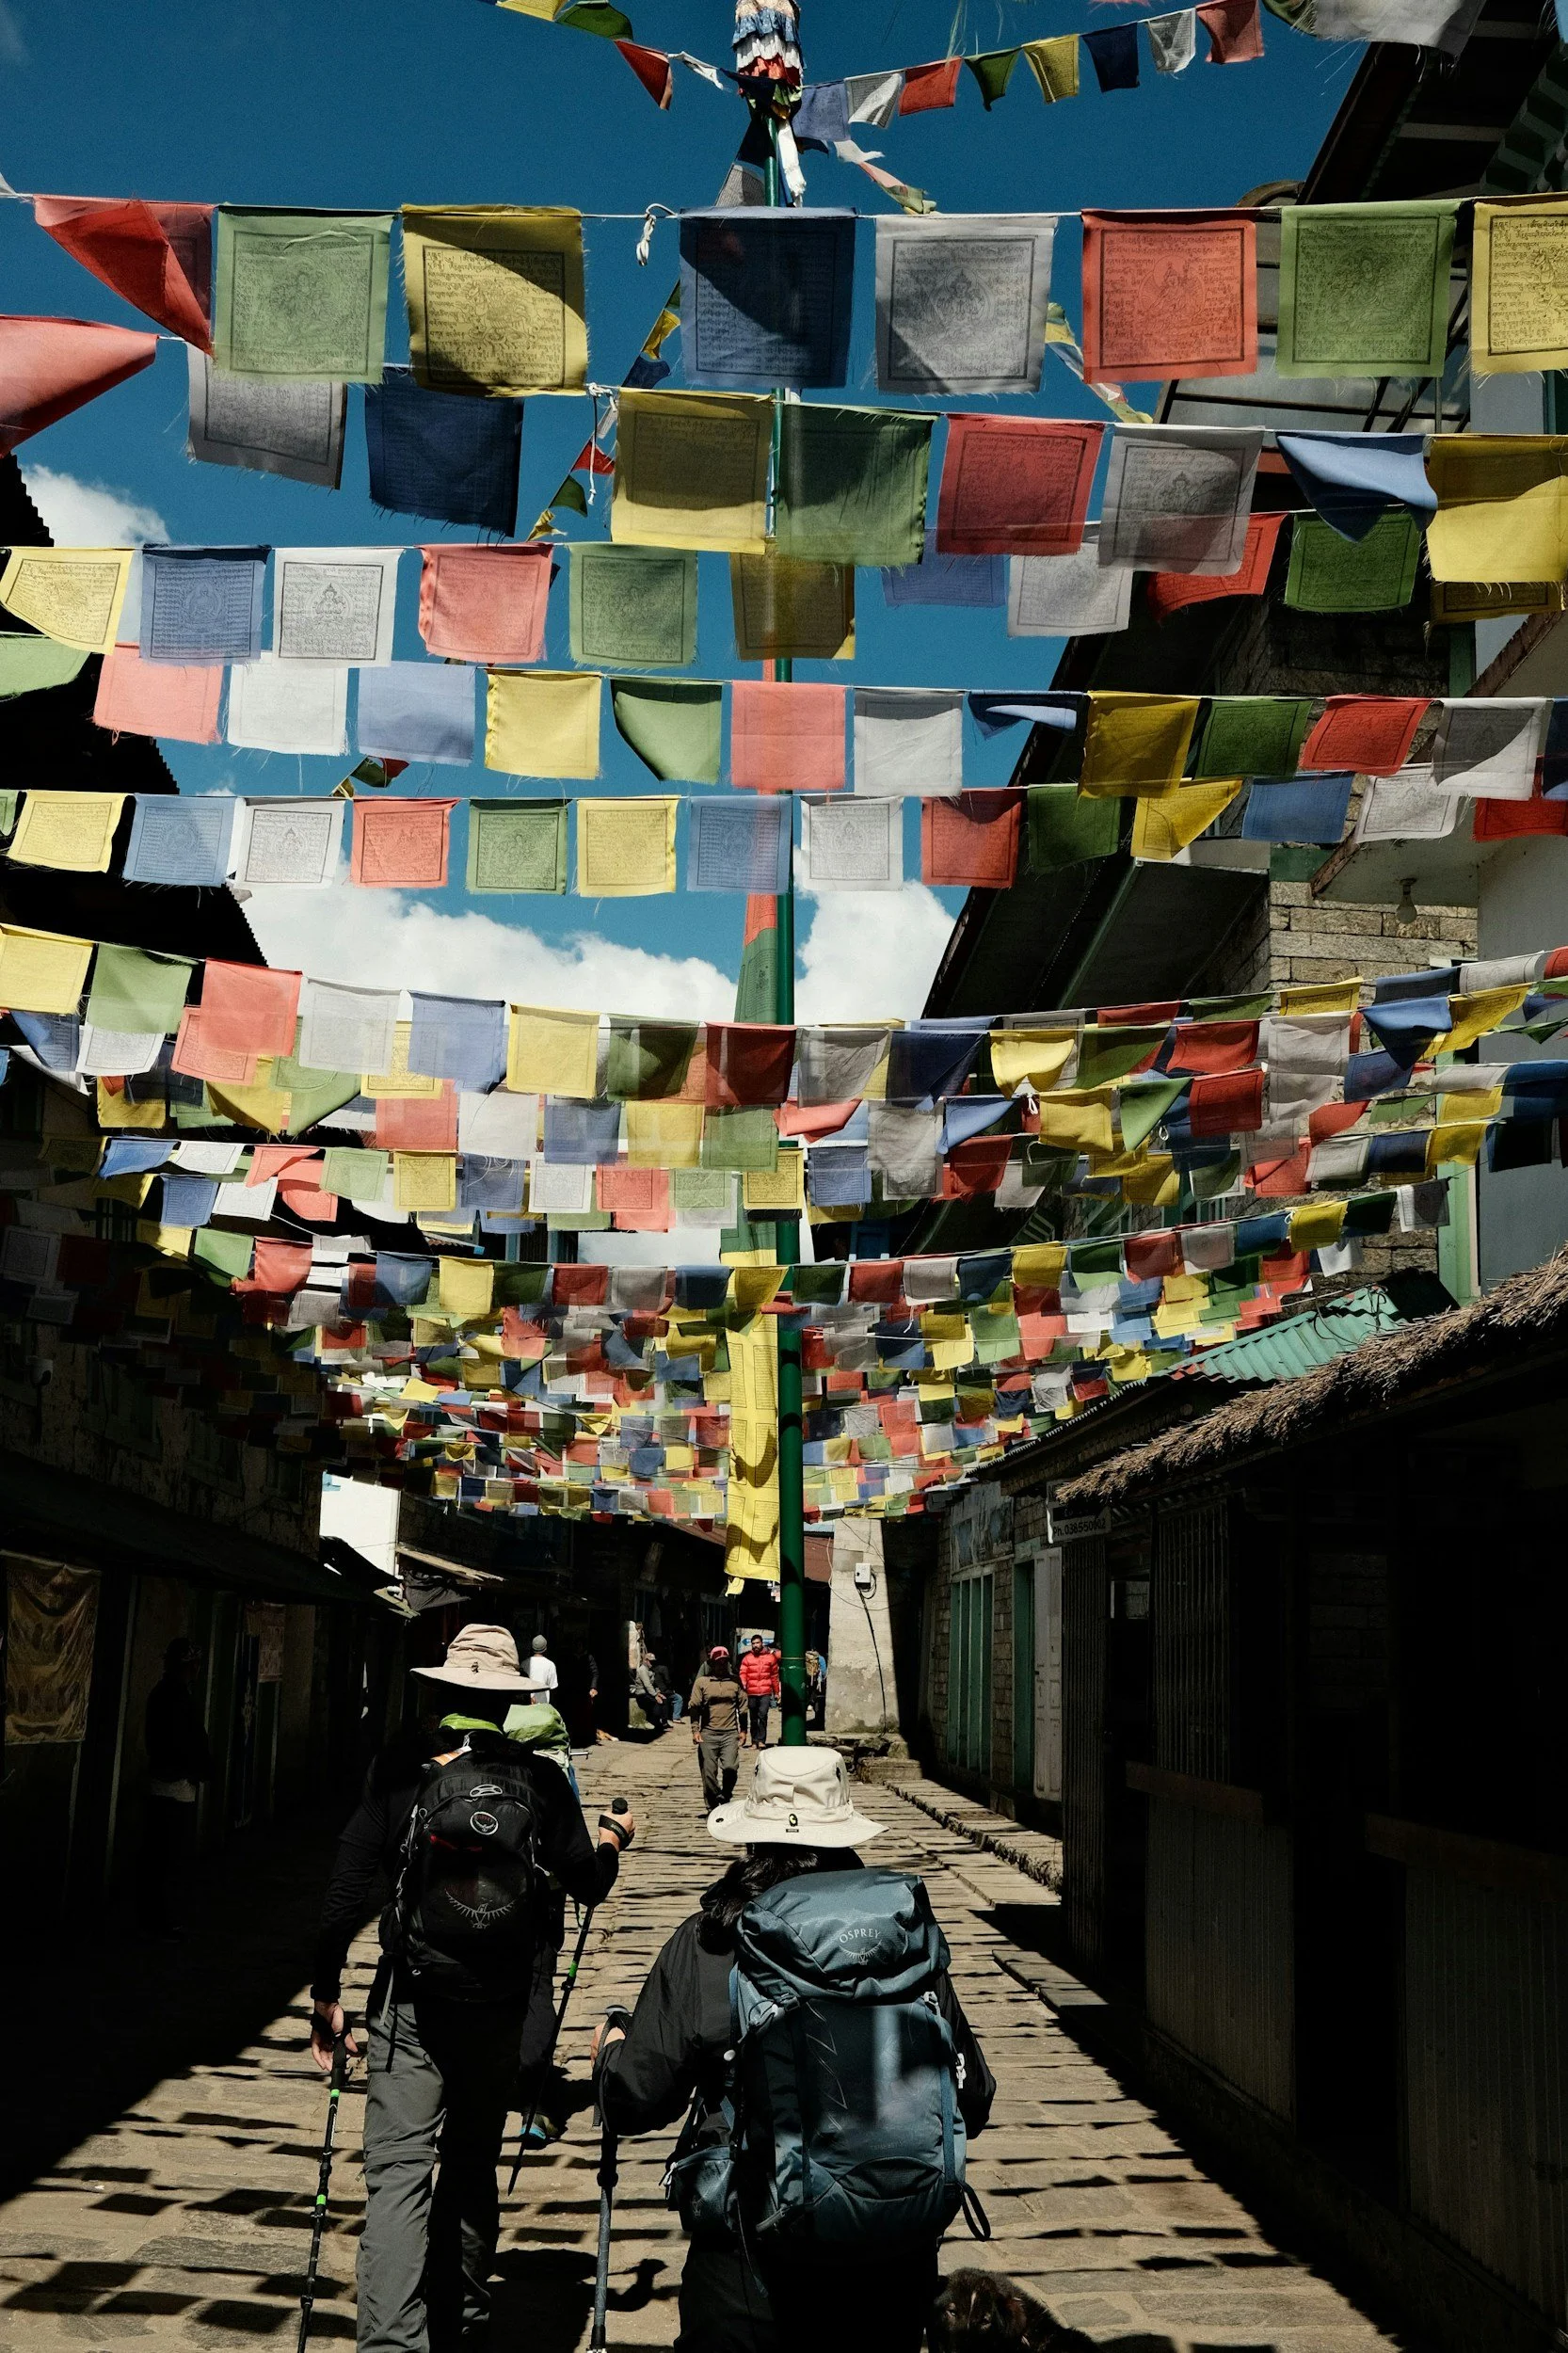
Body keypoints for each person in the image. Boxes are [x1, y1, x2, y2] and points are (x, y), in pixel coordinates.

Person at [596, 1748, 994, 2353]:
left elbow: (637, 2099)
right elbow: (974, 2097)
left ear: (752, 1836)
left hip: (752, 2258)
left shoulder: (712, 1942)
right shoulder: (906, 1942)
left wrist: (610, 2056)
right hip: (892, 2260)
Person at [309, 1623, 635, 2353]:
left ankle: (393, 2343)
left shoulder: (399, 1771)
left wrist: (326, 1993)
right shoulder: (540, 1781)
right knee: (469, 2162)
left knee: (396, 2174)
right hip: (496, 2001)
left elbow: (344, 1891)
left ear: (442, 1689)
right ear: (509, 1701)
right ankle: (463, 2323)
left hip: (411, 1999)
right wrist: (613, 1837)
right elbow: (589, 1885)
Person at [139, 1636, 213, 1936]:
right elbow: (185, 1743)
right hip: (176, 1787)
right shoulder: (178, 1699)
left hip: (164, 1783)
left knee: (160, 1856)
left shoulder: (162, 1694)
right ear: (190, 1665)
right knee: (170, 1857)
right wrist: (198, 1769)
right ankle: (164, 1919)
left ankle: (158, 1916)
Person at [687, 1645, 744, 1812]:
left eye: (724, 1662)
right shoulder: (702, 1683)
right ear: (711, 1664)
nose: (721, 1666)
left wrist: (744, 1731)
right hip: (708, 1734)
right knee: (709, 1773)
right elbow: (694, 1707)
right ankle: (712, 1806)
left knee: (731, 1768)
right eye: (718, 1663)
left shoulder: (735, 1682)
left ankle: (725, 1794)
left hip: (730, 1733)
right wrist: (695, 1730)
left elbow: (743, 1707)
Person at [737, 1634, 780, 1751]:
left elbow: (774, 1676)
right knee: (753, 1718)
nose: (756, 1645)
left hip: (765, 1692)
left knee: (763, 1715)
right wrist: (744, 1684)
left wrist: (777, 1692)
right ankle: (754, 1741)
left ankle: (761, 1740)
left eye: (757, 1643)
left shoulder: (770, 1658)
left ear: (762, 1643)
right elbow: (743, 1672)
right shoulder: (747, 1658)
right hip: (751, 1692)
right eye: (754, 1643)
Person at [632, 1650, 670, 1735]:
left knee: (664, 1700)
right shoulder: (642, 1670)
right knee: (657, 1703)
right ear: (646, 1660)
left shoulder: (650, 1670)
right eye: (651, 1661)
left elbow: (654, 1685)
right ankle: (654, 1723)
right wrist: (656, 1695)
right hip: (642, 1694)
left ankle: (664, 1722)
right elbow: (647, 1685)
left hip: (649, 1693)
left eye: (653, 1661)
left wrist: (659, 1693)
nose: (652, 1663)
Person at [524, 1631, 558, 1702]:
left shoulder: (524, 1664)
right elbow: (553, 1688)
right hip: (543, 1704)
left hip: (527, 1703)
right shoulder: (550, 1665)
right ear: (545, 1649)